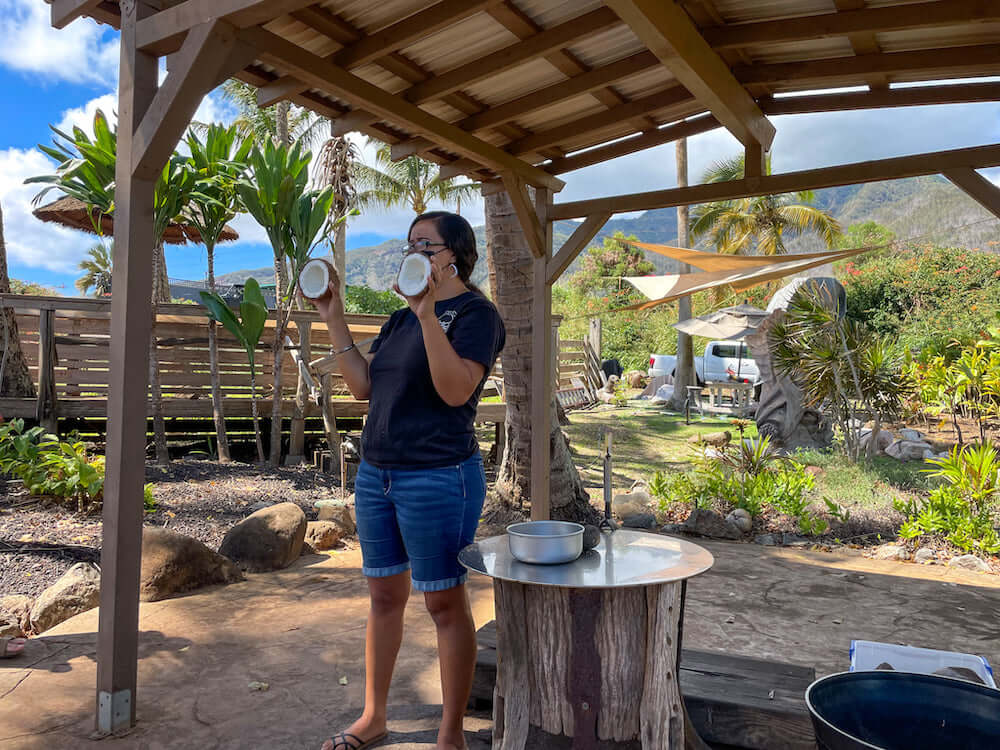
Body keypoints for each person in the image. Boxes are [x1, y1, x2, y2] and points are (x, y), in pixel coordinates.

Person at [317, 211, 505, 750]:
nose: (414, 250)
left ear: (455, 255)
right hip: (378, 474)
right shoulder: (399, 320)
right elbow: (363, 387)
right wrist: (333, 316)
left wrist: (427, 316)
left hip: (440, 474)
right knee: (383, 598)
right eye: (410, 243)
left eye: (426, 243)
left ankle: (450, 735)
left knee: (444, 603)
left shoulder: (476, 314)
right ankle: (373, 717)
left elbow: (455, 392)